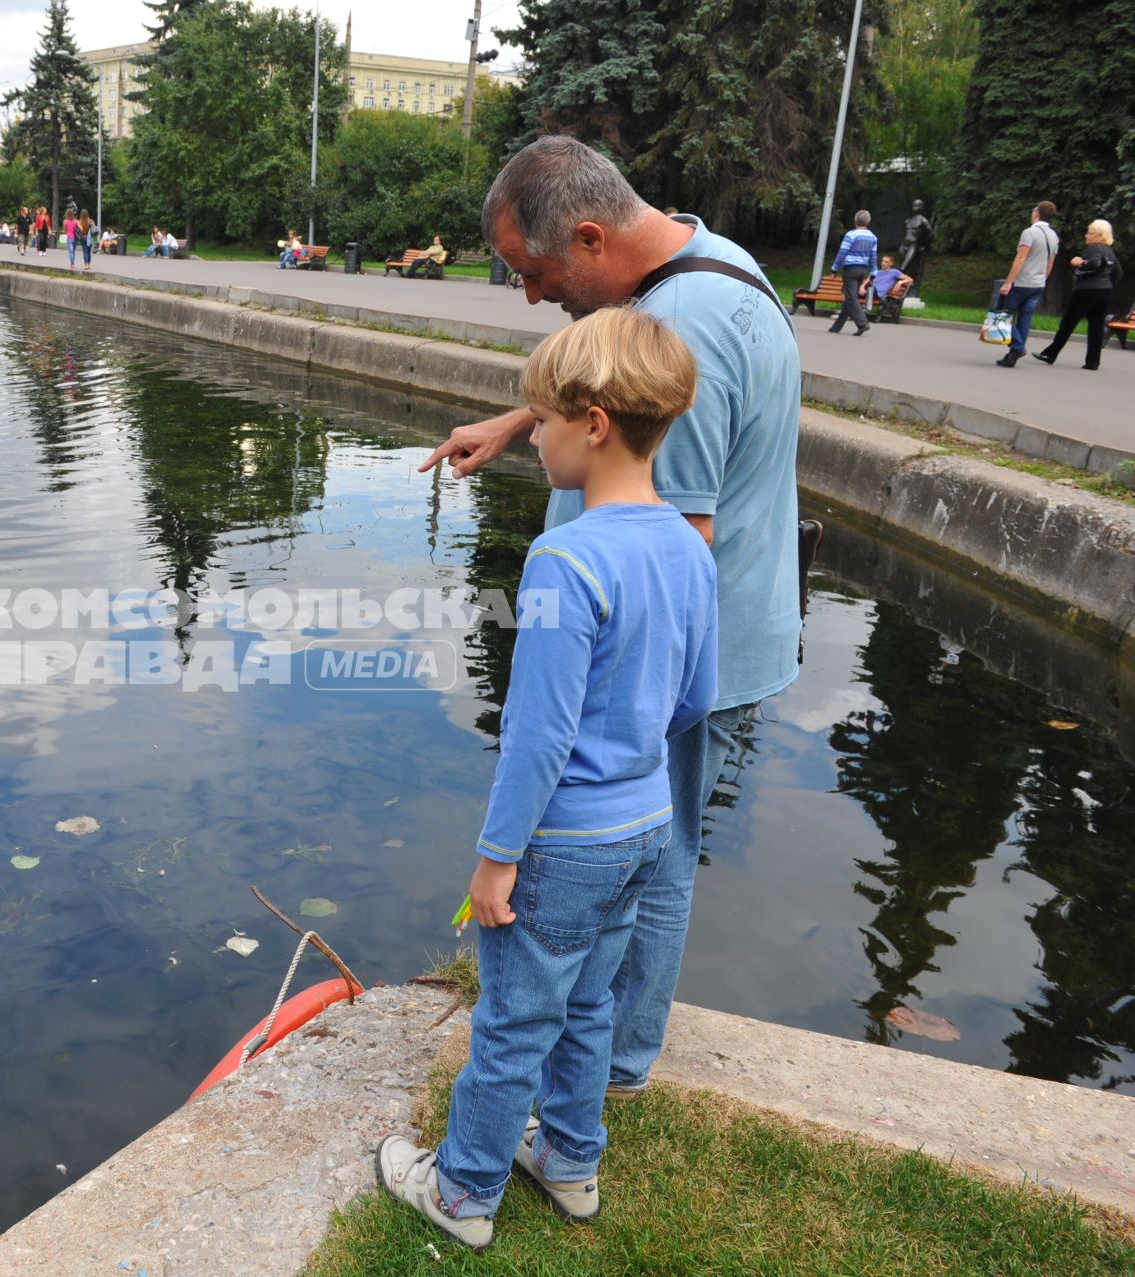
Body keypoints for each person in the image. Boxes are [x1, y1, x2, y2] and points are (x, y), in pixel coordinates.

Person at [420, 136, 801, 1111]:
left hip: (654, 659)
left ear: (590, 237)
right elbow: (622, 400)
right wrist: (513, 423)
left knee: (650, 850)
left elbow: (681, 539)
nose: (533, 295)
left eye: (540, 273)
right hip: (685, 644)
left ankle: (616, 1056)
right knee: (648, 840)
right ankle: (603, 1043)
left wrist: (583, 669)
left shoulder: (694, 324)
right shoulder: (698, 267)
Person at [379, 306, 716, 1247]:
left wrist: (496, 858)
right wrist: (634, 764)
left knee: (514, 1020)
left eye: (545, 421)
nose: (537, 440)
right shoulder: (690, 546)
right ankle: (570, 1162)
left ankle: (463, 1193)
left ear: (595, 424)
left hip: (564, 841)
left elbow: (536, 738)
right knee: (592, 1003)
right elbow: (698, 698)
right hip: (647, 824)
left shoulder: (565, 558)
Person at [1034, 219, 1122, 369]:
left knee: (1068, 323)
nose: (1086, 235)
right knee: (1096, 326)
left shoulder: (1093, 248)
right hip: (1104, 291)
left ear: (1100, 235)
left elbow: (1094, 264)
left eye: (1090, 233)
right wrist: (1107, 285)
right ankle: (1093, 362)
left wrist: (1078, 262)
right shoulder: (1109, 251)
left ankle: (1050, 354)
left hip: (1086, 291)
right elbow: (1119, 272)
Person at [996, 201, 1060, 367]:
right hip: (1038, 284)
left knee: (1003, 315)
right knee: (1025, 319)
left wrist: (1008, 282)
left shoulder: (1029, 233)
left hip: (1022, 282)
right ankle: (1012, 357)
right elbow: (1050, 263)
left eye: (1033, 210)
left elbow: (1021, 258)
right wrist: (1042, 280)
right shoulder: (1054, 236)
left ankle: (1017, 347)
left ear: (1037, 213)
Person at [828, 209, 876, 335]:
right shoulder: (872, 237)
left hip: (851, 269)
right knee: (849, 297)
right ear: (868, 221)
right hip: (863, 270)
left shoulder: (851, 235)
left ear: (855, 220)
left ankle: (862, 323)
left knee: (850, 297)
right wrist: (873, 273)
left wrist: (834, 268)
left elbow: (842, 253)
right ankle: (836, 327)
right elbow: (873, 257)